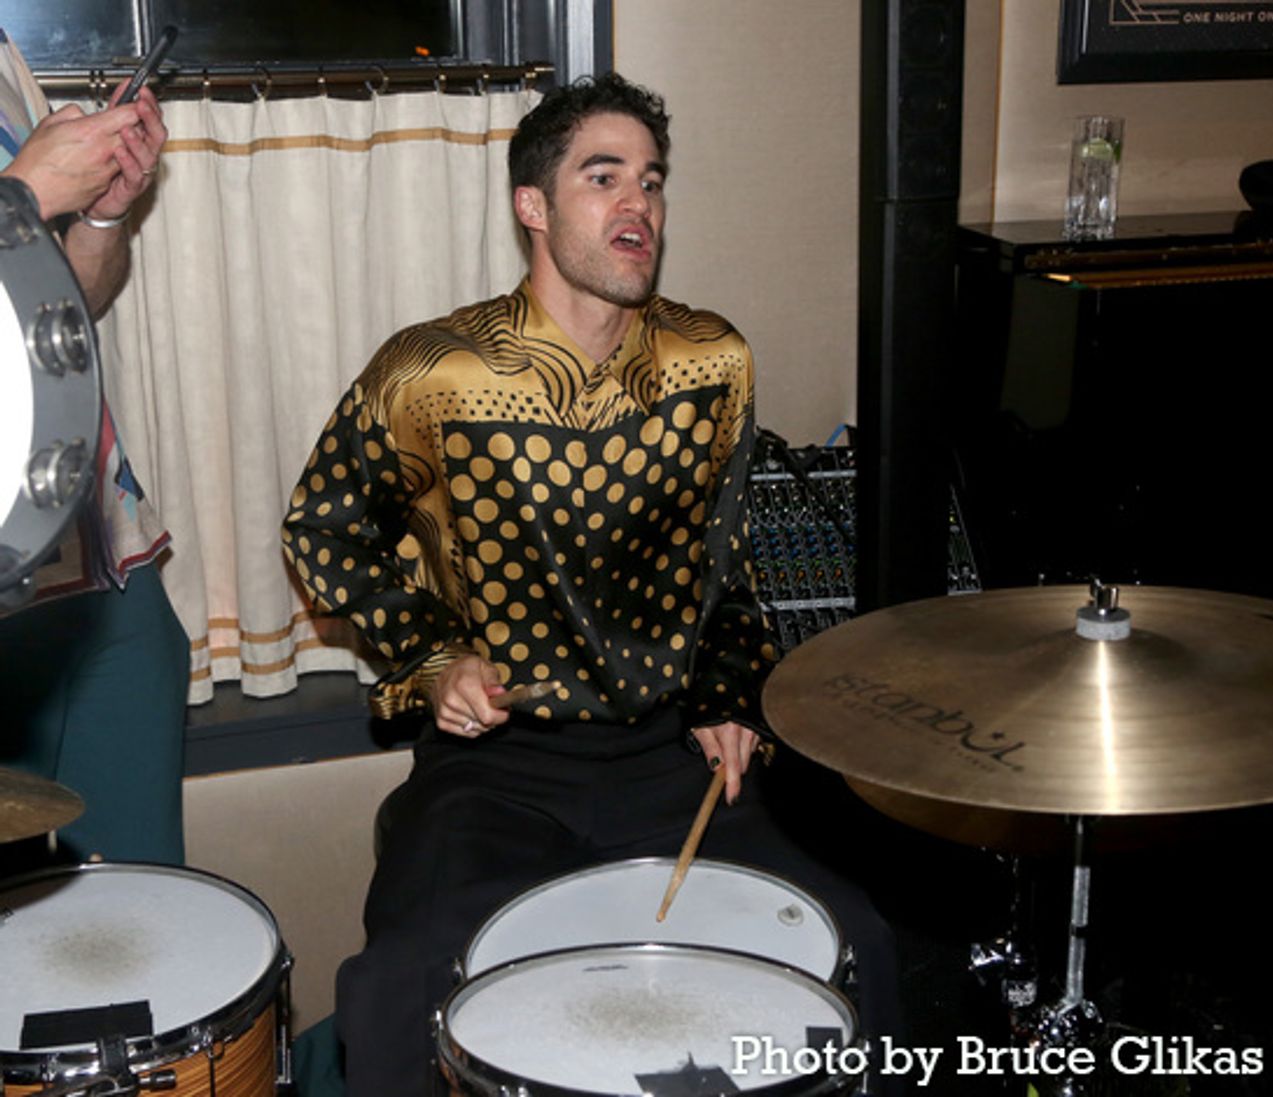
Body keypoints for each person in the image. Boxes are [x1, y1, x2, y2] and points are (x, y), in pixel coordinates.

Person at [283, 73, 898, 1095]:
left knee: (861, 940)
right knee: (396, 981)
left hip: (668, 753)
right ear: (533, 204)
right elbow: (323, 530)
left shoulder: (712, 360)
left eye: (651, 181)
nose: (637, 205)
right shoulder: (429, 371)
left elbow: (725, 562)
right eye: (602, 176)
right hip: (497, 768)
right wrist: (433, 657)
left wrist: (728, 693)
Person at [0, 28, 187, 867]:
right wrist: (26, 193)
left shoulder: (4, 57)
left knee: (142, 910)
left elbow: (68, 304)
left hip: (98, 553)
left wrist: (104, 207)